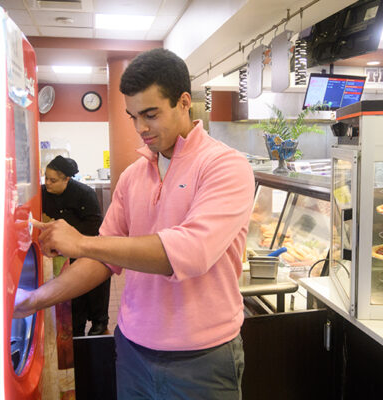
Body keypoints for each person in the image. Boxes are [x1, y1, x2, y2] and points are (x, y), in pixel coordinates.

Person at [15, 48, 255, 399]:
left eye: (150, 114)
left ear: (184, 102)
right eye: (132, 117)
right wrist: (34, 300)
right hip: (132, 348)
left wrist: (81, 242)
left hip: (203, 359)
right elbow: (102, 259)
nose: (141, 128)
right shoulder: (132, 177)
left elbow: (189, 251)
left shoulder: (225, 167)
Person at [42, 155, 110, 336]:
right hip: (60, 254)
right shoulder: (43, 194)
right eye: (46, 178)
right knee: (73, 299)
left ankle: (99, 323)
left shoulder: (84, 193)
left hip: (86, 247)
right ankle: (76, 327)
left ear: (66, 179)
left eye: (53, 180)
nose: (47, 183)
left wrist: (66, 233)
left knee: (95, 288)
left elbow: (94, 224)